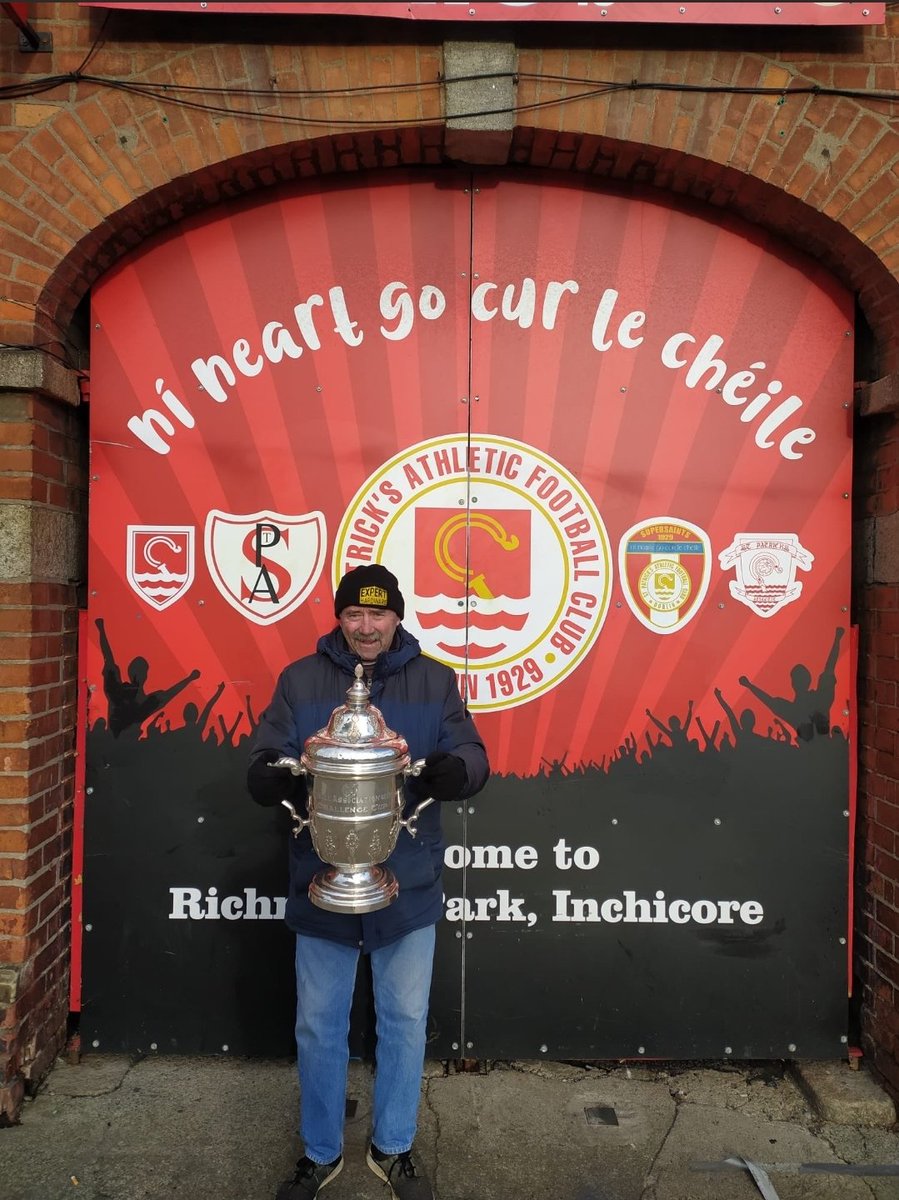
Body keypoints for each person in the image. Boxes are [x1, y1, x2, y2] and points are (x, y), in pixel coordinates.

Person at [247, 564, 490, 1200]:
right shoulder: (301, 679)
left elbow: (473, 754)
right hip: (320, 878)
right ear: (340, 618)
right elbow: (267, 749)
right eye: (354, 614)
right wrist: (265, 776)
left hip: (406, 883)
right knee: (318, 1023)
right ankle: (320, 1152)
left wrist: (455, 774)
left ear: (397, 618)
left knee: (405, 1018)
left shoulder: (435, 680)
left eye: (378, 615)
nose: (366, 626)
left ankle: (394, 1147)